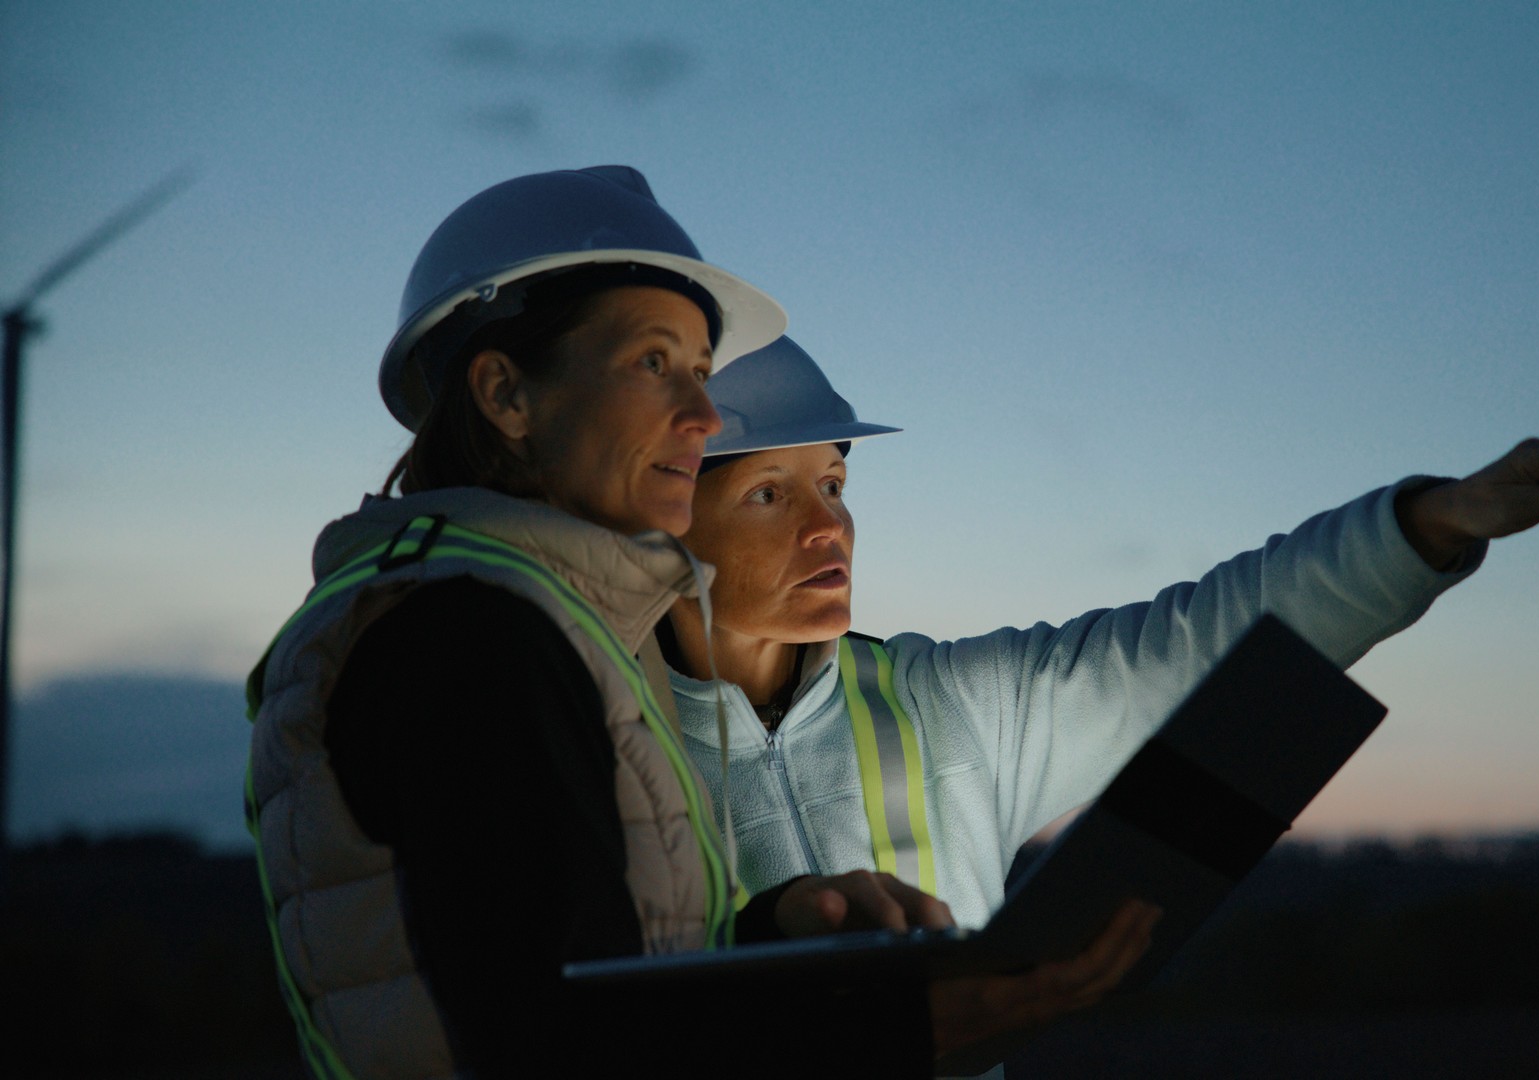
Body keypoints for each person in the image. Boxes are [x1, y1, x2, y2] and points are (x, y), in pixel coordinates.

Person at [244, 168, 1154, 1079]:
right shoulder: (470, 639)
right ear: (506, 395)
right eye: (653, 363)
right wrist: (907, 1026)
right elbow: (552, 1044)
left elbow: (578, 966)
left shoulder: (504, 617)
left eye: (700, 371)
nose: (704, 415)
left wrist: (774, 930)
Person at [659, 335, 1539, 930]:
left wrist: (1431, 524)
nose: (829, 523)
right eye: (768, 493)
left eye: (835, 483)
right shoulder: (591, 734)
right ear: (663, 513)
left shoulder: (952, 707)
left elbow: (1206, 637)